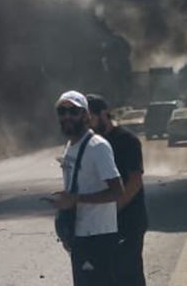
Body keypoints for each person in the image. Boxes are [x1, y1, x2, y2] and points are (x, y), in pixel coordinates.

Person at [49, 90, 124, 286]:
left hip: (98, 237)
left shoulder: (97, 146)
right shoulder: (71, 146)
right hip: (80, 236)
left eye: (73, 111)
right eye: (62, 111)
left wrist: (76, 199)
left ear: (85, 115)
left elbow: (117, 191)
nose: (67, 116)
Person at [87, 94, 148, 286]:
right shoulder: (88, 145)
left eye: (90, 118)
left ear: (103, 114)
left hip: (128, 221)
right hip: (99, 226)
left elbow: (135, 181)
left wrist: (113, 209)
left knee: (128, 276)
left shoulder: (127, 141)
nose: (87, 124)